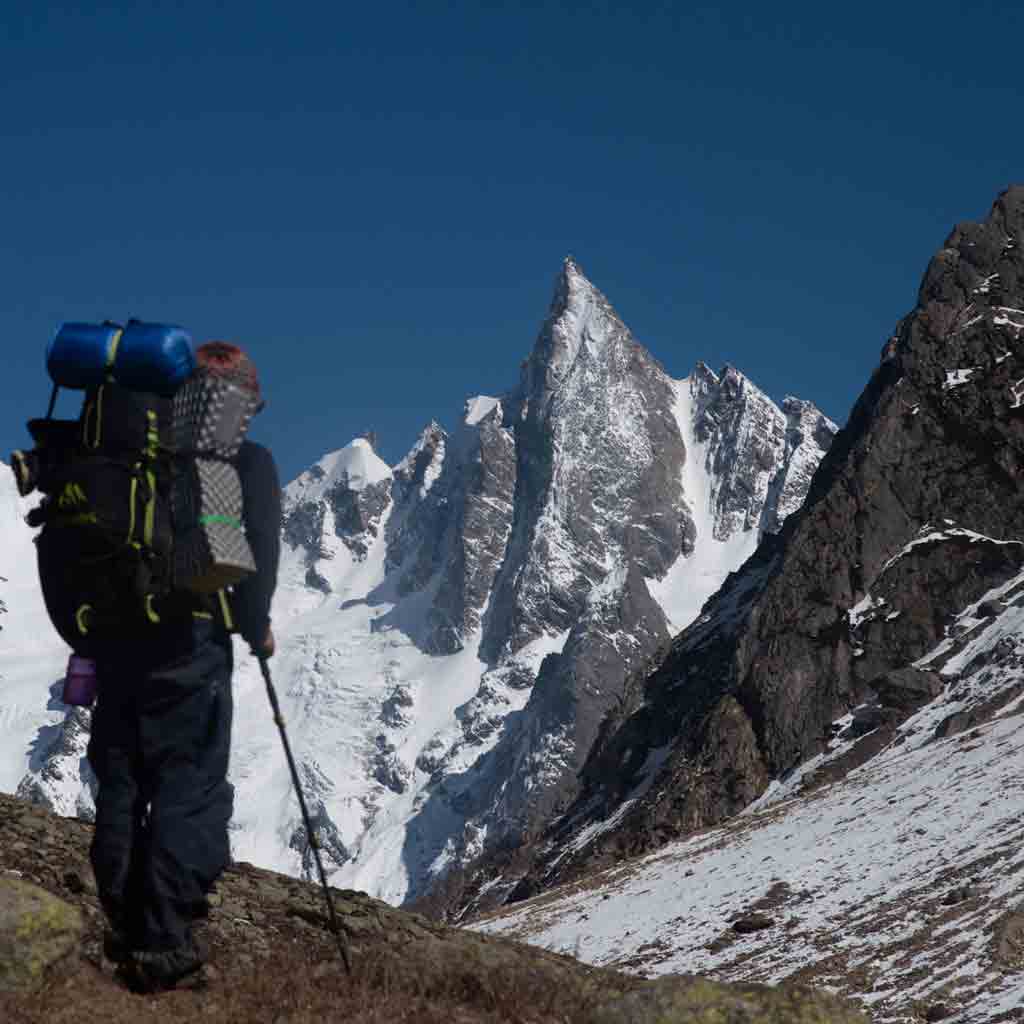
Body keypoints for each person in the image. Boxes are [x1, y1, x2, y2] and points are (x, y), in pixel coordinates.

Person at [86, 342, 282, 992]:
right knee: (186, 786)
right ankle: (165, 946)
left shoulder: (134, 452)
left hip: (116, 640)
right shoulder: (243, 462)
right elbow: (257, 558)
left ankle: (121, 924)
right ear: (240, 402)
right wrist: (257, 629)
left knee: (122, 781)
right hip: (189, 643)